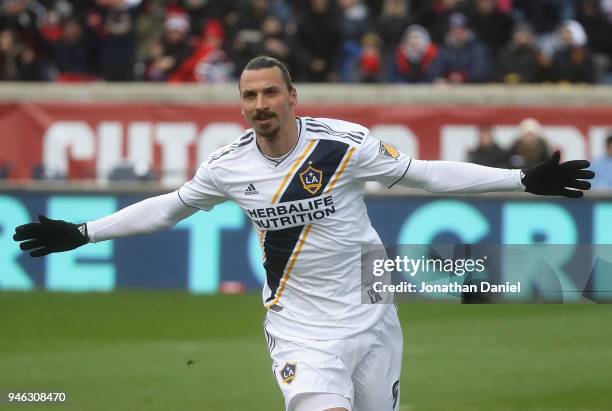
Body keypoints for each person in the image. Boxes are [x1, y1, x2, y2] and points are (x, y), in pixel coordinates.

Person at [13, 56, 594, 411]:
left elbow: (425, 174)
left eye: (270, 93)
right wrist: (84, 232)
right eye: (248, 96)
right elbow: (171, 208)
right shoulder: (227, 166)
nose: (260, 105)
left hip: (372, 310)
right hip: (299, 327)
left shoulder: (343, 144)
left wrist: (523, 178)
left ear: (292, 97)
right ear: (240, 105)